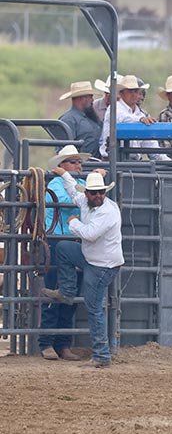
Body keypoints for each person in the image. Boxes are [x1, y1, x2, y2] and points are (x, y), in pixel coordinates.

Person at [41, 169, 123, 368]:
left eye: (101, 192)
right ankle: (67, 291)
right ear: (87, 193)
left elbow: (90, 234)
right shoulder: (88, 203)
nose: (98, 196)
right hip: (95, 259)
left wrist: (73, 222)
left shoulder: (107, 211)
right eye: (94, 192)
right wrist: (64, 174)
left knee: (94, 308)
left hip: (102, 265)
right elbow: (73, 192)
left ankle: (102, 355)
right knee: (64, 248)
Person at [38, 145, 89, 361]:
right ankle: (48, 342)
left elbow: (85, 199)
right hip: (58, 240)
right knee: (55, 291)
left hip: (74, 240)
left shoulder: (81, 184)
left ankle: (62, 344)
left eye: (79, 162)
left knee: (70, 294)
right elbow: (72, 202)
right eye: (74, 162)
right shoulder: (56, 185)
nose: (79, 165)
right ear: (63, 166)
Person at [99, 75, 164, 160]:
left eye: (136, 91)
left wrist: (166, 160)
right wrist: (140, 120)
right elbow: (122, 118)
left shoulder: (140, 114)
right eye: (130, 91)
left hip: (133, 162)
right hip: (113, 161)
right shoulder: (114, 108)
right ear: (121, 93)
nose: (134, 94)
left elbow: (150, 144)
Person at [58, 81, 102, 159]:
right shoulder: (69, 120)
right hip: (82, 165)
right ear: (82, 98)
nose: (92, 100)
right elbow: (63, 149)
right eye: (90, 97)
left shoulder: (90, 117)